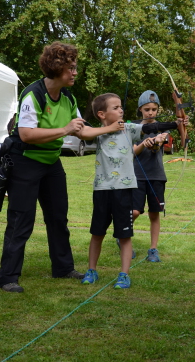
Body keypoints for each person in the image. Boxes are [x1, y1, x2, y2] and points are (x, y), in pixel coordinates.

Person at [0, 41, 84, 293]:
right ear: (57, 68)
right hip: (24, 161)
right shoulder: (33, 94)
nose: (75, 72)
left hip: (51, 162)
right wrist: (65, 130)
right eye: (71, 68)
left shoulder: (68, 96)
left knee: (58, 217)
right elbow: (25, 134)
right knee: (21, 219)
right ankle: (8, 277)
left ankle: (63, 268)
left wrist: (112, 127)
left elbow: (82, 129)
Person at [77, 93, 186, 289]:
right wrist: (109, 128)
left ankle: (123, 274)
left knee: (125, 234)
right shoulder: (96, 132)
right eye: (116, 108)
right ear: (102, 114)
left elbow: (150, 127)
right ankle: (91, 270)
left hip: (124, 189)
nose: (121, 110)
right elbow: (82, 133)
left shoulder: (128, 129)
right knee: (97, 232)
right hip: (102, 189)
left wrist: (175, 123)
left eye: (121, 106)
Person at [132, 90, 173, 263]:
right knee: (134, 212)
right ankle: (123, 236)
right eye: (147, 109)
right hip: (136, 176)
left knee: (155, 213)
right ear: (140, 109)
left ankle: (153, 249)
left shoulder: (163, 129)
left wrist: (157, 142)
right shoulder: (133, 128)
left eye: (154, 109)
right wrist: (144, 143)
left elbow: (162, 145)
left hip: (156, 176)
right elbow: (132, 152)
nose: (150, 112)